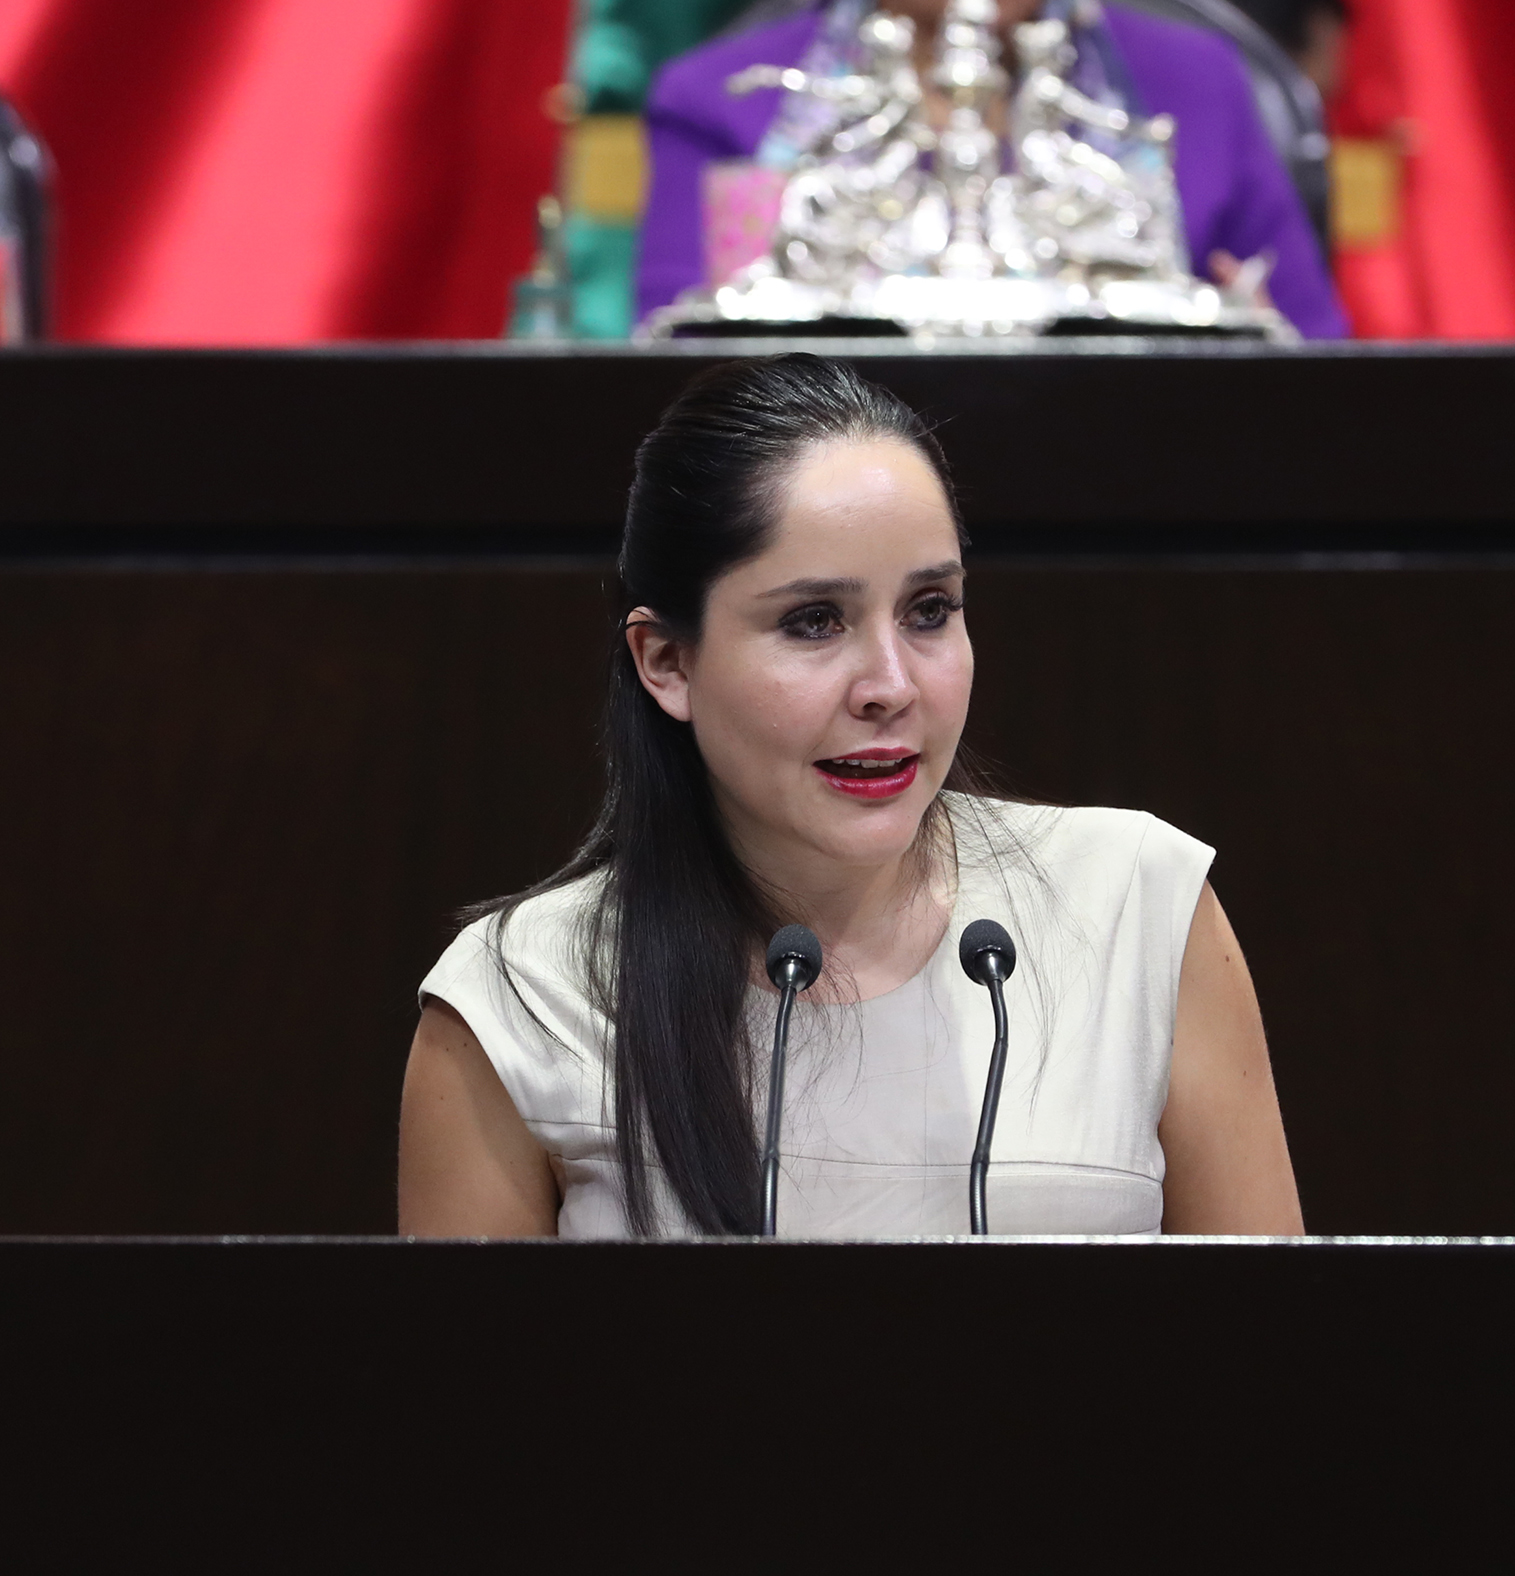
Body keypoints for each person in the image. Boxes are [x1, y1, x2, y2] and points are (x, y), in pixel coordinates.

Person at [400, 354, 1302, 1239]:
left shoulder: (1136, 907)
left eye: (929, 610)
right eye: (813, 622)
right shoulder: (521, 995)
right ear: (667, 662)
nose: (890, 686)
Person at [635, 0, 1350, 337]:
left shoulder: (1197, 84)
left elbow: (1315, 362)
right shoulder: (725, 101)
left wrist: (1244, 340)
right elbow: (671, 371)